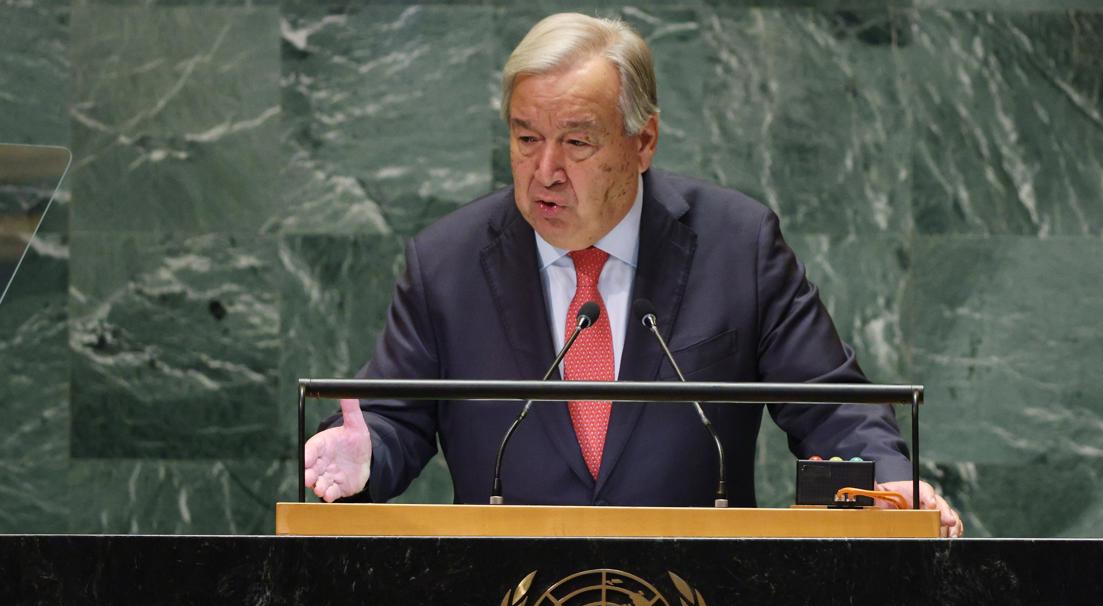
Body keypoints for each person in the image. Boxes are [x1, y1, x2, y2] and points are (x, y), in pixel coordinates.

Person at [304, 13, 964, 537]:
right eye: (526, 138)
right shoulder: (447, 264)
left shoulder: (737, 246)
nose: (545, 171)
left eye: (578, 141)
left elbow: (835, 408)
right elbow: (391, 421)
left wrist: (887, 481)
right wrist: (365, 458)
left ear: (643, 142)